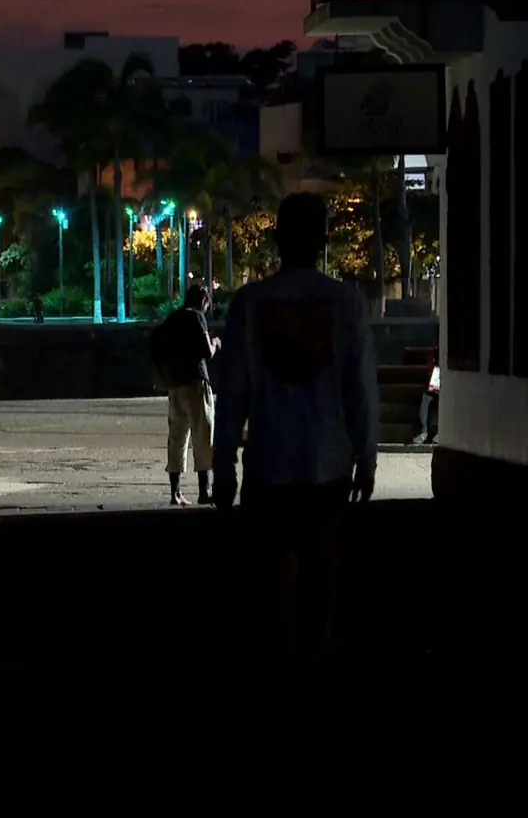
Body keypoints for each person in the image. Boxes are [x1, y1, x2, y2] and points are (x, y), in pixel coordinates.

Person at [212, 192, 378, 669]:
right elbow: (361, 387)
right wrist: (365, 456)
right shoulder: (345, 304)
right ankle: (321, 656)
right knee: (325, 560)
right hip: (327, 458)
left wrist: (224, 467)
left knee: (277, 566)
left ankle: (282, 659)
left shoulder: (250, 304)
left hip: (269, 460)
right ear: (323, 241)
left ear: (277, 240)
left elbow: (232, 396)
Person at [151, 284, 221, 505]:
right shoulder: (197, 317)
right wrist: (216, 343)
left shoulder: (172, 319)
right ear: (203, 301)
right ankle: (204, 491)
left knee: (177, 437)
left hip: (175, 385)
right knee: (203, 435)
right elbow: (206, 352)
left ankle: (175, 492)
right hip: (195, 382)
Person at [413, 355, 439, 444]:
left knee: (444, 402)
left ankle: (440, 434)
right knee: (426, 398)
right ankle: (424, 432)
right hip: (435, 387)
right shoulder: (435, 356)